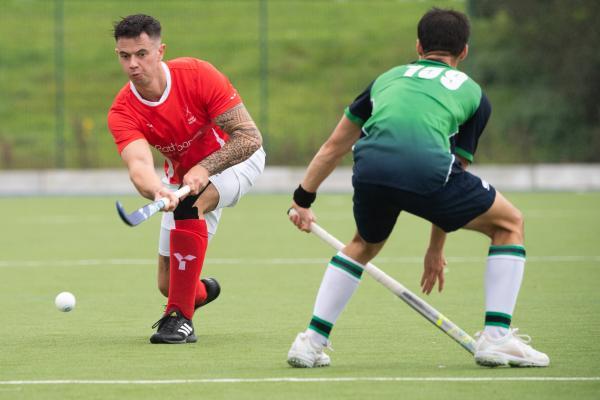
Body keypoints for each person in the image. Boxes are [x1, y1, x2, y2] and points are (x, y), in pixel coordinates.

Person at [286, 8, 549, 368]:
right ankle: (497, 337)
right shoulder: (474, 94)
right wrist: (435, 249)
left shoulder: (386, 79)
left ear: (419, 46)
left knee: (362, 245)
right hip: (426, 173)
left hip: (370, 169)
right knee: (509, 224)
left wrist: (302, 200)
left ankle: (310, 343)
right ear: (465, 51)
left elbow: (335, 146)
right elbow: (453, 174)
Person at [108, 14, 265, 344]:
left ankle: (179, 320)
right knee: (170, 284)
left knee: (190, 205)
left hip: (237, 161)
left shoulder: (197, 75)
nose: (133, 64)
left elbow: (250, 138)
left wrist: (206, 168)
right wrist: (157, 189)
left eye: (141, 54)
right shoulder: (123, 110)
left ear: (160, 51)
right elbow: (139, 164)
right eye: (125, 56)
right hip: (181, 177)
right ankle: (202, 292)